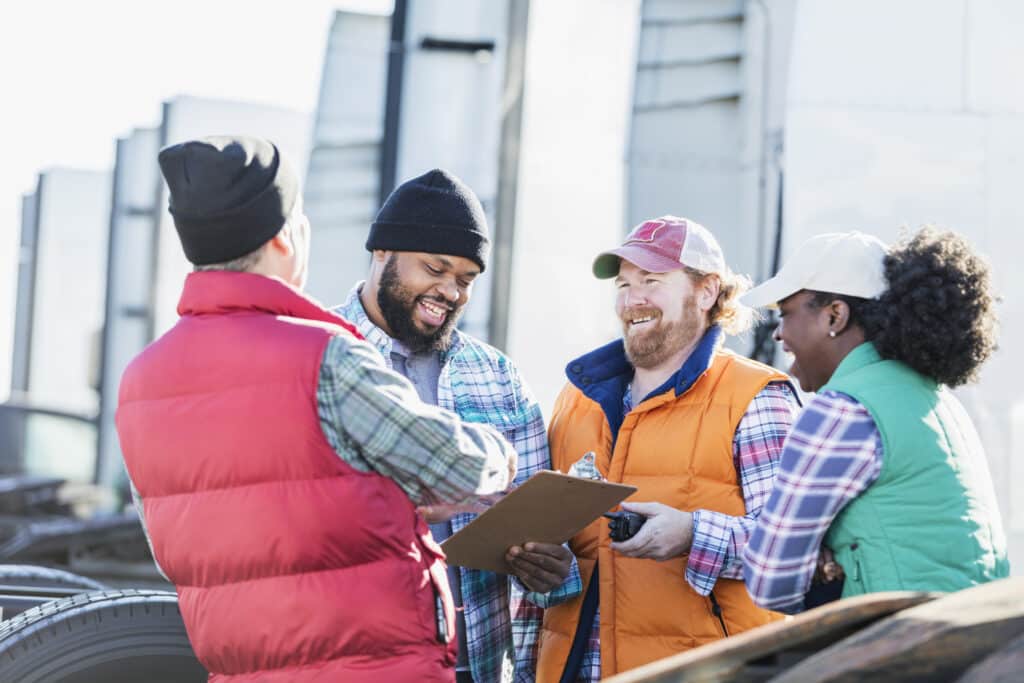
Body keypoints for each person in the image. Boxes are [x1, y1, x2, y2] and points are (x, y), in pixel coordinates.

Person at [116, 136, 519, 682]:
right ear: (285, 239)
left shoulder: (141, 380)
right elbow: (462, 468)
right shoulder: (326, 356)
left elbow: (175, 553)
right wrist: (500, 453)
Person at [334, 168, 578, 683]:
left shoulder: (499, 377)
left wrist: (549, 567)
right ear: (382, 253)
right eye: (435, 268)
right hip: (352, 662)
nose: (450, 291)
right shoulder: (318, 353)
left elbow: (544, 537)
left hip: (474, 668)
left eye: (465, 279)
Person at [536, 216, 801, 681]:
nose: (631, 298)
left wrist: (694, 534)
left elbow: (791, 551)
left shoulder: (757, 397)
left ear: (706, 292)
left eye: (652, 281)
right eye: (624, 283)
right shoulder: (575, 399)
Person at [741, 229, 1010, 614]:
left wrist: (830, 565)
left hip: (900, 648)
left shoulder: (843, 411)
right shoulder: (939, 399)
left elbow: (770, 581)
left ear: (835, 315)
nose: (779, 333)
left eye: (784, 313)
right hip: (979, 644)